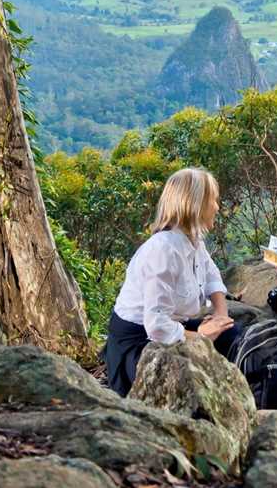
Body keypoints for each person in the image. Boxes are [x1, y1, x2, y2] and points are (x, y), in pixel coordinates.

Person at [104, 168, 239, 397]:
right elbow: (156, 324)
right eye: (212, 200)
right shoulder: (163, 250)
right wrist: (202, 336)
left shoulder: (194, 241)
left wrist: (221, 316)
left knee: (233, 335)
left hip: (174, 328)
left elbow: (211, 275)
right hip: (140, 344)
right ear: (193, 203)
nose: (217, 207)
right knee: (189, 383)